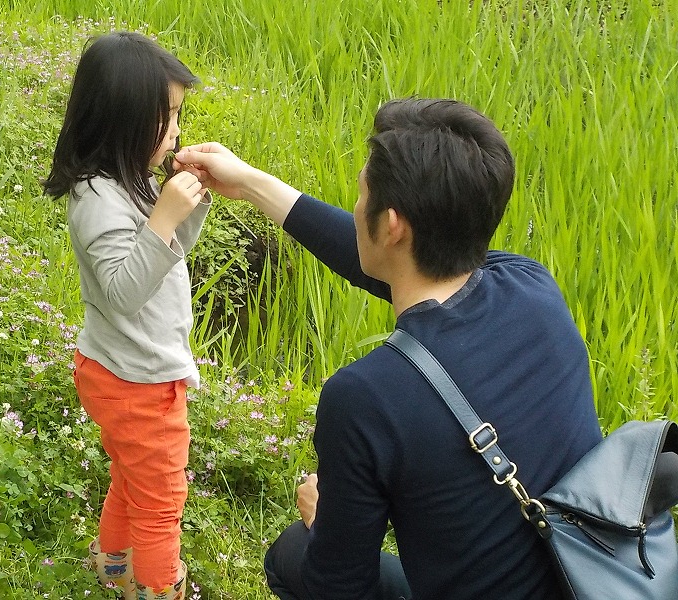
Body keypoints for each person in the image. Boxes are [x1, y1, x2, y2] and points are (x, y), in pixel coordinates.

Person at [174, 97, 603, 599]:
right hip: (588, 578)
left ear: (393, 225)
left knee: (295, 553)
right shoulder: (532, 286)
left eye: (361, 195)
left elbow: (340, 589)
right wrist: (249, 183)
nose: (356, 207)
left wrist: (324, 518)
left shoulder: (365, 398)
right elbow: (395, 267)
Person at [42, 31, 210, 600]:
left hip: (118, 370)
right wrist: (164, 216)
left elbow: (167, 252)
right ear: (123, 120)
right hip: (140, 384)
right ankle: (159, 589)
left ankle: (113, 567)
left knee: (131, 484)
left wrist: (187, 205)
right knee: (161, 508)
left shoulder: (120, 180)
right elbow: (122, 290)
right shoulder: (98, 200)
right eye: (166, 119)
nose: (175, 133)